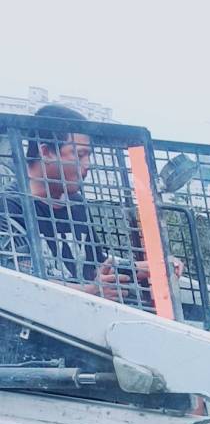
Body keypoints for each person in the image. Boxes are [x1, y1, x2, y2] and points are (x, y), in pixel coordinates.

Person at [0, 104, 180, 302]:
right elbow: (16, 280)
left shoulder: (76, 204)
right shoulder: (9, 206)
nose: (88, 164)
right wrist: (87, 293)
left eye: (89, 155)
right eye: (79, 155)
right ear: (46, 152)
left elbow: (93, 266)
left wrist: (144, 268)